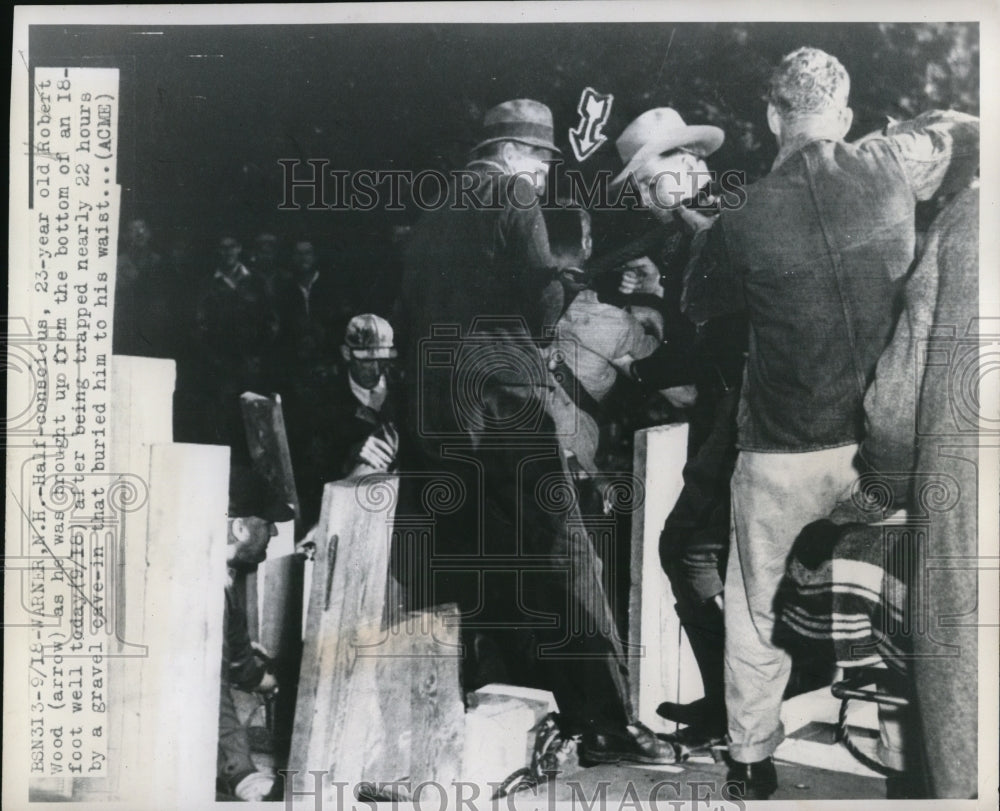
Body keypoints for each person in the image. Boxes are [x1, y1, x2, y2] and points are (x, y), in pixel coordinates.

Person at [678, 47, 980, 798]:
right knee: (898, 600)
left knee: (756, 609)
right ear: (845, 117)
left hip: (779, 448)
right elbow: (950, 137)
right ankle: (908, 751)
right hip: (881, 447)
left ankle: (750, 759)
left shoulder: (743, 216)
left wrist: (695, 219)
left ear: (772, 116)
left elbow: (698, 302)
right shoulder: (887, 171)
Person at [397, 98, 677, 765]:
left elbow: (409, 312)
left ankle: (451, 720)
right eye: (545, 160)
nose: (547, 174)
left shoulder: (434, 212)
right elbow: (541, 293)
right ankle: (607, 721)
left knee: (474, 563)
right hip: (504, 402)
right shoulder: (514, 193)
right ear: (519, 154)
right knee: (567, 553)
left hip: (437, 411)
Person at [602, 109, 744, 751]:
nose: (638, 195)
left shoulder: (716, 230)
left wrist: (630, 366)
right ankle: (729, 706)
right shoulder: (697, 230)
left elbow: (710, 349)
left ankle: (733, 708)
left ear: (686, 165)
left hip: (738, 413)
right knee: (707, 556)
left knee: (686, 549)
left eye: (644, 179)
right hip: (723, 412)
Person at [217, 466, 295, 802]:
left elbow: (235, 659)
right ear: (240, 528)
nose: (275, 532)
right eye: (267, 523)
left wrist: (255, 672)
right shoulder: (206, 587)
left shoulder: (225, 578)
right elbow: (209, 688)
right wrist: (244, 775)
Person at [285, 313, 400, 532]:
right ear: (347, 353)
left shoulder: (404, 388)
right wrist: (349, 456)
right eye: (367, 361)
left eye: (383, 360)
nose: (376, 370)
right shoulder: (323, 399)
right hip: (349, 518)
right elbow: (309, 473)